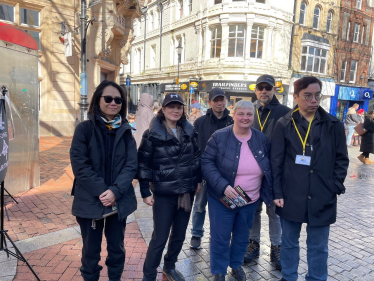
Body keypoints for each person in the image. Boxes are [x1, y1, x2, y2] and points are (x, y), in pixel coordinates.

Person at [271, 76, 348, 281]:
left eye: (317, 95)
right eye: (307, 96)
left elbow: (341, 159)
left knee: (319, 246)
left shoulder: (334, 125)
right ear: (295, 97)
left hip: (323, 194)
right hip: (291, 194)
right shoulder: (284, 124)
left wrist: (335, 185)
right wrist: (277, 192)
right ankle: (288, 277)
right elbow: (276, 162)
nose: (314, 100)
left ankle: (316, 278)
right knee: (288, 242)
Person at [70, 80, 138, 281]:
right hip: (91, 201)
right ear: (97, 100)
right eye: (108, 98)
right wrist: (104, 192)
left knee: (117, 250)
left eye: (118, 99)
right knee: (90, 253)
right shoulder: (84, 129)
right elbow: (80, 166)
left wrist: (115, 192)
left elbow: (131, 165)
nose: (113, 103)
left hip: (119, 201)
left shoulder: (126, 131)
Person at [201, 100, 273, 281]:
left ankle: (236, 264)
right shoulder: (219, 136)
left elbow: (269, 165)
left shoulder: (261, 139)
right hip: (222, 198)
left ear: (253, 117)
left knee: (242, 237)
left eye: (249, 114)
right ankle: (219, 270)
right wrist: (223, 186)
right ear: (234, 115)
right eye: (241, 114)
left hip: (250, 199)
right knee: (220, 236)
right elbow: (206, 162)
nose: (245, 118)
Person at [138, 93, 202, 281]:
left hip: (186, 192)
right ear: (163, 110)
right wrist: (144, 191)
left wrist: (197, 180)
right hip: (164, 193)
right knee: (160, 237)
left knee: (180, 235)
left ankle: (169, 266)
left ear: (183, 110)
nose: (175, 110)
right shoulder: (152, 134)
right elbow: (143, 163)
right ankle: (148, 275)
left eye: (179, 107)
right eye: (171, 107)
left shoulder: (189, 131)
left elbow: (196, 157)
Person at [244, 75, 290, 270]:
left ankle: (276, 246)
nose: (263, 91)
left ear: (274, 90)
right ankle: (253, 242)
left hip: (275, 172)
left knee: (275, 212)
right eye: (260, 87)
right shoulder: (249, 111)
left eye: (267, 88)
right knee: (253, 210)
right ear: (255, 90)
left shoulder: (286, 112)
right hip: (253, 172)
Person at [190, 88, 234, 249]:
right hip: (203, 172)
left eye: (222, 99)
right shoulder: (200, 122)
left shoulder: (232, 122)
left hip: (224, 175)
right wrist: (196, 173)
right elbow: (194, 149)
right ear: (209, 102)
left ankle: (219, 235)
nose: (220, 103)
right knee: (200, 206)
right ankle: (196, 233)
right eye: (216, 100)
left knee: (223, 206)